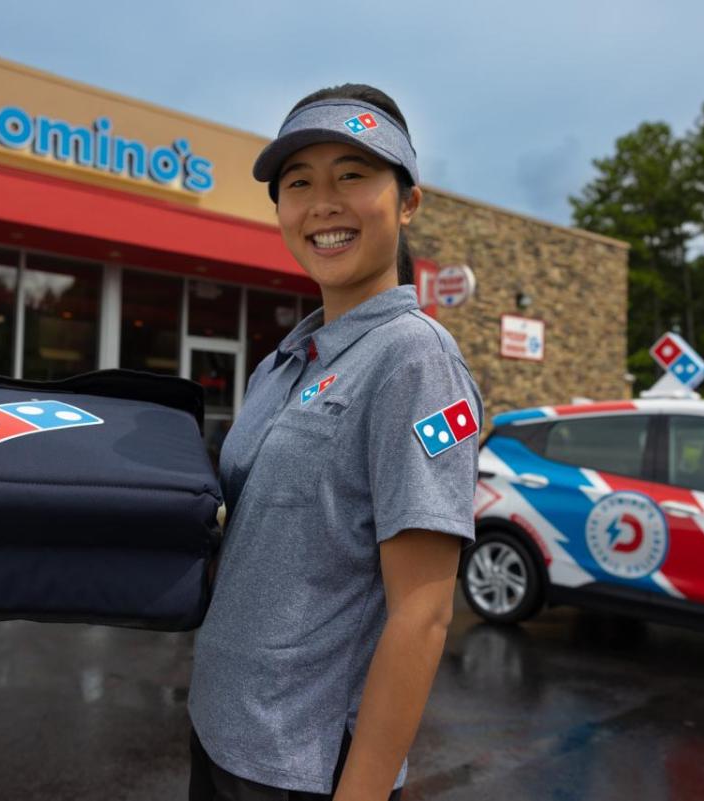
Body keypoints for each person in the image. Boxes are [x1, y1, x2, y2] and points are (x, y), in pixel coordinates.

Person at [187, 84, 483, 801]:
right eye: (299, 183)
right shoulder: (283, 362)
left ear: (408, 200)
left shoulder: (415, 360)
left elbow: (423, 611)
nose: (323, 202)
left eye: (352, 174)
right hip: (221, 730)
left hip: (304, 765)